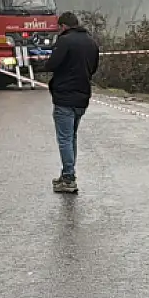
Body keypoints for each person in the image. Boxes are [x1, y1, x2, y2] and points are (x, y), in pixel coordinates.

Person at [46, 11, 100, 194]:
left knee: (64, 139)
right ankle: (66, 173)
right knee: (72, 137)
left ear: (63, 26)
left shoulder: (64, 41)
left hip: (64, 96)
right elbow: (94, 68)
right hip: (82, 96)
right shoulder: (91, 42)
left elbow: (52, 64)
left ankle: (69, 177)